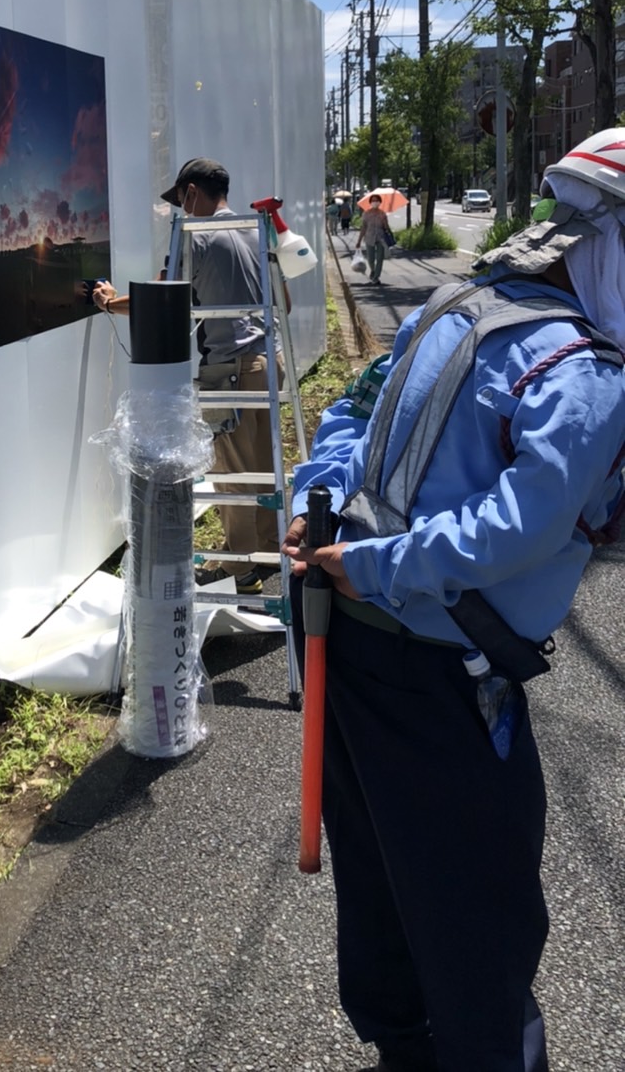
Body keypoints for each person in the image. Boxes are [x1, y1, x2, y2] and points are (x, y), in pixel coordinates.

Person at [283, 128, 625, 1072]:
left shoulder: (452, 305)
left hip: (344, 649)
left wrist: (320, 507)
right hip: (440, 669)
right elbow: (522, 523)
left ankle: (404, 1045)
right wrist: (381, 563)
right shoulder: (584, 373)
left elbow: (352, 410)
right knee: (482, 898)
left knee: (385, 872)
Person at [91, 157, 288, 595]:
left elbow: (164, 296)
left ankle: (240, 568)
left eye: (181, 199)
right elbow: (284, 304)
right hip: (267, 362)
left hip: (231, 369)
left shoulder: (197, 236)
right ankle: (269, 549)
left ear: (193, 192)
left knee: (232, 471)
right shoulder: (253, 230)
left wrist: (108, 301)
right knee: (262, 466)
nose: (180, 210)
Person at [357, 192, 391, 283]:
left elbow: (386, 227)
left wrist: (385, 222)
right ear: (370, 202)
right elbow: (363, 227)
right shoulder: (366, 214)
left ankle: (376, 277)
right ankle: (373, 270)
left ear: (380, 202)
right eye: (373, 200)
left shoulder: (382, 214)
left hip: (381, 238)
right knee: (370, 258)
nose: (375, 202)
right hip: (369, 237)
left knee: (380, 258)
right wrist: (359, 241)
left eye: (376, 200)